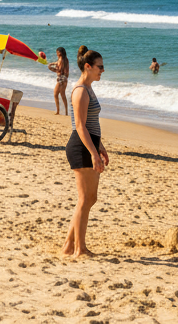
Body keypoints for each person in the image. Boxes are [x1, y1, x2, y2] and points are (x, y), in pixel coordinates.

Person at [63, 48, 107, 258]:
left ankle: (69, 245)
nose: (103, 70)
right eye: (100, 67)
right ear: (87, 67)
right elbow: (80, 126)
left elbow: (92, 123)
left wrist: (100, 147)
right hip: (80, 147)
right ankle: (80, 249)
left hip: (90, 145)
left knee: (91, 198)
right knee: (84, 199)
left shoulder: (88, 88)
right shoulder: (80, 90)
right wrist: (93, 153)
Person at [50, 47, 71, 115]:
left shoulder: (61, 60)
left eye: (57, 52)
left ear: (59, 53)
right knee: (62, 94)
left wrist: (51, 69)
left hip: (61, 78)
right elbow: (58, 63)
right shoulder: (65, 59)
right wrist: (52, 64)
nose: (56, 53)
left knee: (55, 94)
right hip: (64, 78)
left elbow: (59, 70)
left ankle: (58, 111)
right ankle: (66, 112)